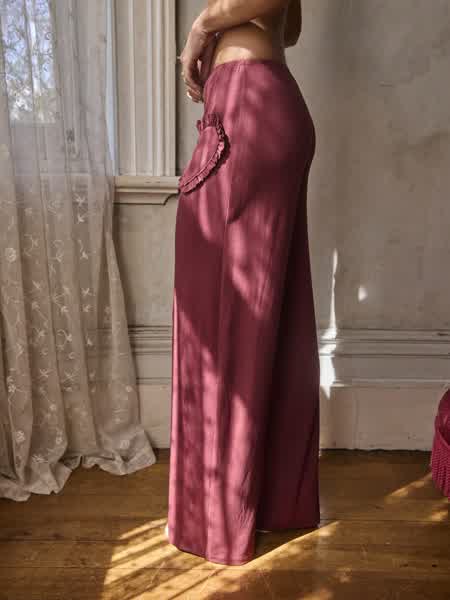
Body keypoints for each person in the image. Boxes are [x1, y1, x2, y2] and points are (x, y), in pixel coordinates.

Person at [166, 0, 320, 566]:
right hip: (266, 103)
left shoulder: (216, 31)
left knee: (221, 314)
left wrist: (201, 28)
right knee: (271, 312)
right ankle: (274, 503)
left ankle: (220, 520)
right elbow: (291, 27)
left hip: (247, 108)